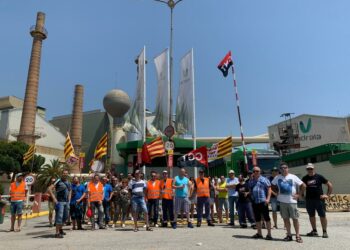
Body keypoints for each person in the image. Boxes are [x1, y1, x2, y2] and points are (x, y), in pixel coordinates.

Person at [271, 162, 305, 243]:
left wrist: (299, 195)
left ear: (288, 168)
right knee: (285, 219)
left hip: (292, 202)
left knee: (295, 219)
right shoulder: (277, 177)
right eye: (282, 168)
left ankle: (297, 235)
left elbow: (303, 185)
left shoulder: (293, 177)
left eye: (285, 167)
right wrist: (276, 193)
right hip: (282, 202)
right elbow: (272, 186)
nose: (284, 169)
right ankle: (289, 235)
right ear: (280, 169)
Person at [302, 163, 333, 238]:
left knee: (322, 216)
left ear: (314, 169)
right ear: (306, 169)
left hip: (319, 200)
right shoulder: (304, 178)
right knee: (311, 216)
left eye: (311, 169)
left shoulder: (319, 177)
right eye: (308, 169)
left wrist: (327, 195)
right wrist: (302, 196)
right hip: (309, 200)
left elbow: (330, 185)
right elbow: (301, 187)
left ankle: (324, 232)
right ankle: (314, 231)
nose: (310, 170)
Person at [249, 166, 272, 240]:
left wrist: (268, 199)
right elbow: (250, 189)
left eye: (257, 171)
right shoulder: (251, 181)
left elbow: (269, 189)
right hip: (255, 202)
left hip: (263, 201)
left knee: (266, 218)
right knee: (257, 218)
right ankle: (259, 233)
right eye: (254, 171)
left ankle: (269, 234)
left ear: (260, 171)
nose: (256, 172)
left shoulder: (264, 179)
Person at [47, 169, 72, 238]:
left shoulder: (68, 182)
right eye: (64, 173)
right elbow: (49, 189)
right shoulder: (58, 181)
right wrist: (54, 198)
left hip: (66, 202)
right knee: (59, 217)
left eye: (66, 173)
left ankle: (60, 229)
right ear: (62, 174)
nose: (65, 174)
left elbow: (70, 190)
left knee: (65, 216)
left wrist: (69, 200)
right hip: (60, 202)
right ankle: (57, 233)